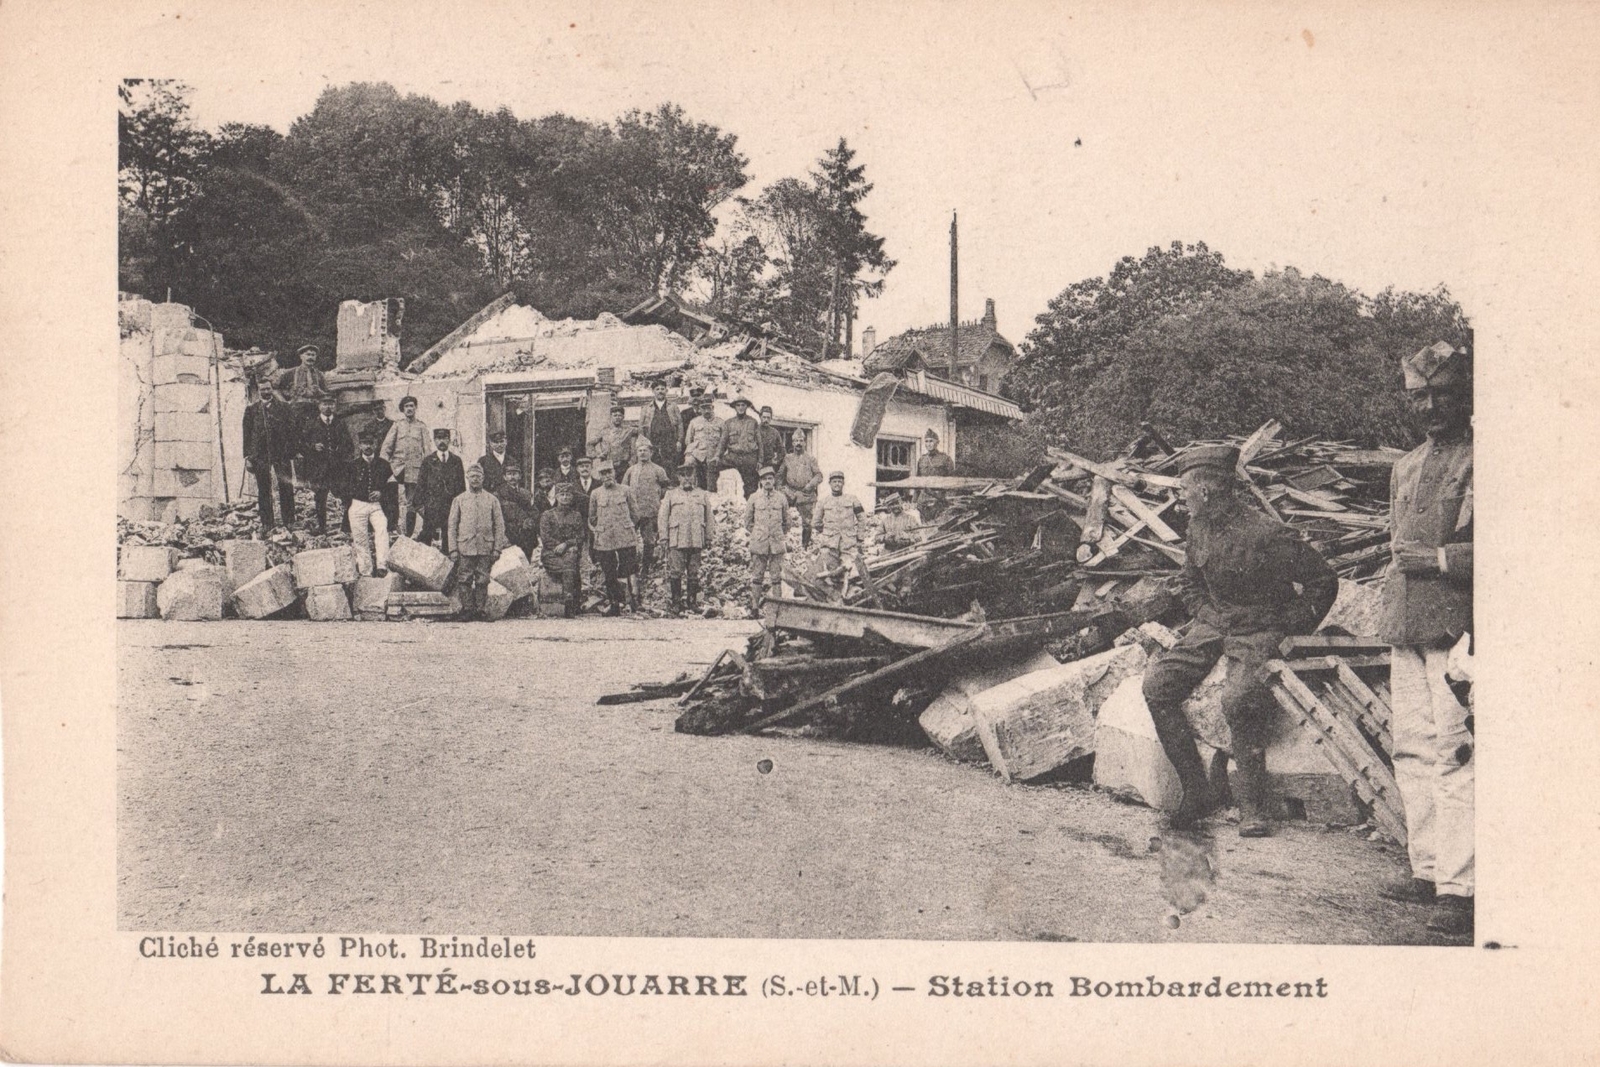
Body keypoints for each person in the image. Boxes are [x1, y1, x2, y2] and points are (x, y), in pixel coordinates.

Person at [1141, 445, 1339, 837]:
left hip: (1260, 628)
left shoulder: (1265, 533)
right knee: (1157, 685)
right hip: (1214, 623)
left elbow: (1323, 582)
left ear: (1207, 491)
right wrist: (1203, 612)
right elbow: (1190, 581)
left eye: (1185, 489)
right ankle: (1196, 790)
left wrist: (1288, 626)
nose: (1180, 497)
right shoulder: (1198, 527)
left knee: (1238, 698)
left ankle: (1253, 805)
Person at [1376, 340, 1475, 937]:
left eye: (1442, 394)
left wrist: (1436, 559)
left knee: (1456, 752)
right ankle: (1427, 867)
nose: (1432, 407)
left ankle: (1460, 887)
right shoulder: (1404, 466)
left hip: (1457, 628)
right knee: (1411, 746)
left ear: (1464, 394)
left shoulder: (1483, 459)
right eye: (1420, 397)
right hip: (1405, 626)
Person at [448, 463, 507, 621]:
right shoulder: (459, 500)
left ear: (483, 478)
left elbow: (499, 526)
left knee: (483, 579)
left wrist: (497, 549)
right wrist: (453, 549)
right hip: (465, 547)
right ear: (467, 478)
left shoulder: (492, 500)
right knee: (464, 578)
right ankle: (467, 609)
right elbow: (452, 526)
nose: (475, 479)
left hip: (485, 547)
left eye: (478, 476)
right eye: (472, 476)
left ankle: (480, 609)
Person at [658, 460, 715, 614]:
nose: (687, 479)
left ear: (694, 477)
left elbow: (709, 517)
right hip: (677, 538)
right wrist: (664, 537)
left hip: (696, 538)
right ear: (678, 478)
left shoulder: (702, 494)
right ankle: (676, 603)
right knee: (676, 571)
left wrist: (708, 537)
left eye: (690, 475)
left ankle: (692, 602)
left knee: (693, 572)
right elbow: (663, 517)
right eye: (683, 476)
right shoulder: (671, 494)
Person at [242, 377, 298, 530]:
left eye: (268, 388)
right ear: (258, 391)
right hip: (260, 456)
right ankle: (267, 523)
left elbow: (292, 431)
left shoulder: (284, 408)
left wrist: (291, 452)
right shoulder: (252, 410)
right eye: (263, 389)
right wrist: (248, 457)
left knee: (286, 486)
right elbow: (246, 435)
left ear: (272, 389)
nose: (266, 392)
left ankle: (289, 520)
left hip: (281, 454)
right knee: (263, 489)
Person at [588, 459, 640, 615]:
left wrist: (626, 527)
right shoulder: (595, 494)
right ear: (599, 476)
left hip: (625, 537)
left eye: (609, 472)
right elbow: (592, 517)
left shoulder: (626, 490)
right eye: (603, 473)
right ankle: (615, 604)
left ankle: (633, 602)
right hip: (605, 539)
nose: (607, 476)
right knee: (609, 572)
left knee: (629, 570)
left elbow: (635, 514)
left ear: (614, 472)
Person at [341, 431, 397, 577]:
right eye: (364, 443)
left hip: (376, 506)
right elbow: (344, 487)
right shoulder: (352, 466)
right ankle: (366, 570)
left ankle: (382, 566)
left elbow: (392, 486)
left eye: (370, 443)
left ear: (376, 444)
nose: (368, 446)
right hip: (358, 505)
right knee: (360, 538)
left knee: (382, 529)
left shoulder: (384, 465)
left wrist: (381, 493)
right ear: (360, 446)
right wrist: (351, 501)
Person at [622, 438, 672, 584]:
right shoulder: (631, 470)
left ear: (651, 452)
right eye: (640, 450)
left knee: (648, 540)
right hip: (632, 512)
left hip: (650, 512)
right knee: (629, 540)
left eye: (645, 450)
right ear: (636, 453)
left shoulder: (658, 470)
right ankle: (631, 568)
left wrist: (655, 496)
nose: (642, 453)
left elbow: (666, 487)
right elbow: (623, 489)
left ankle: (646, 568)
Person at [298, 395, 348, 535]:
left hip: (338, 469)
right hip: (319, 470)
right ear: (319, 406)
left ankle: (346, 526)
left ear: (335, 406)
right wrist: (313, 447)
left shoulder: (340, 423)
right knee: (320, 498)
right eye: (325, 404)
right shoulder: (311, 424)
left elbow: (349, 444)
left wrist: (340, 451)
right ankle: (322, 527)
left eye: (331, 404)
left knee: (346, 496)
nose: (328, 407)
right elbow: (301, 445)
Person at [380, 395, 429, 539]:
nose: (409, 409)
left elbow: (427, 451)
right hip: (397, 469)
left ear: (415, 408)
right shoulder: (397, 425)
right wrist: (385, 468)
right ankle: (392, 528)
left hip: (414, 470)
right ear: (403, 409)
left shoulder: (421, 426)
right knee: (391, 498)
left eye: (412, 406)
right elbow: (386, 448)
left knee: (411, 503)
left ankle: (408, 534)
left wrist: (427, 471)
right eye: (407, 406)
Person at [745, 465, 790, 616]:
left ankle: (778, 610)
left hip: (777, 543)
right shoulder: (754, 498)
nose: (767, 482)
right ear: (760, 482)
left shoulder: (781, 498)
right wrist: (758, 533)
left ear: (774, 481)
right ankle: (754, 608)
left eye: (770, 478)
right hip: (760, 543)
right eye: (764, 479)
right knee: (757, 577)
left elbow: (787, 521)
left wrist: (778, 534)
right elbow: (748, 522)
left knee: (776, 577)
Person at [813, 471, 866, 597]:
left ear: (843, 483)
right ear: (829, 484)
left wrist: (859, 537)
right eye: (834, 482)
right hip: (830, 544)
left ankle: (849, 596)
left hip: (849, 543)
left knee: (850, 571)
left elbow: (862, 518)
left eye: (839, 482)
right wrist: (827, 533)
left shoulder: (853, 499)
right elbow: (816, 522)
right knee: (832, 573)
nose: (837, 484)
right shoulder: (823, 502)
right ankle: (835, 597)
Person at [539, 482, 586, 617]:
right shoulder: (547, 515)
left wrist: (566, 544)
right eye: (562, 495)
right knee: (570, 564)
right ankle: (570, 603)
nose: (565, 498)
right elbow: (545, 538)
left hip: (569, 552)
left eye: (568, 495)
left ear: (572, 498)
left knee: (571, 557)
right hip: (551, 554)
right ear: (556, 497)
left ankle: (570, 602)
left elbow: (580, 536)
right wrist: (558, 546)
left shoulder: (576, 515)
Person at [417, 428, 466, 553]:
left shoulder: (456, 461)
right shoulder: (428, 461)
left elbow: (461, 487)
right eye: (438, 438)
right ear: (434, 441)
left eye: (444, 438)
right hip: (431, 507)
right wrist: (421, 507)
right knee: (426, 541)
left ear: (449, 440)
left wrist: (460, 507)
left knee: (449, 540)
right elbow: (421, 485)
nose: (442, 441)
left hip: (450, 507)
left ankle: (449, 569)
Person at [778, 429, 823, 547]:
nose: (798, 443)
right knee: (779, 515)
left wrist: (810, 485)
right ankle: (782, 543)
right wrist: (781, 489)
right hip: (789, 492)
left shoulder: (810, 459)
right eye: (796, 441)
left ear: (804, 443)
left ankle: (805, 546)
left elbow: (819, 475)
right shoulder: (787, 458)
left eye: (801, 441)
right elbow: (779, 476)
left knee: (807, 522)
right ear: (792, 443)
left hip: (806, 493)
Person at [719, 395, 762, 497]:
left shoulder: (753, 422)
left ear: (746, 407)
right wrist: (717, 456)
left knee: (750, 486)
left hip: (749, 457)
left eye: (743, 405)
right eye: (738, 405)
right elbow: (723, 442)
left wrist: (760, 460)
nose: (741, 407)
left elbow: (760, 443)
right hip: (733, 457)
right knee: (720, 474)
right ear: (735, 407)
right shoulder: (729, 423)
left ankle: (748, 506)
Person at [495, 463, 539, 559]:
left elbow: (534, 511)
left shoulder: (526, 493)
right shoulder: (499, 494)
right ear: (504, 477)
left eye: (515, 474)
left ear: (519, 476)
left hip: (526, 534)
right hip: (509, 534)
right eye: (509, 474)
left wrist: (529, 521)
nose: (512, 477)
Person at [684, 394, 725, 492]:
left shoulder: (720, 422)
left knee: (713, 479)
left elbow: (724, 441)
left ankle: (712, 493)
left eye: (709, 408)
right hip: (698, 453)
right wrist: (690, 453)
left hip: (714, 453)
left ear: (713, 408)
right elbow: (688, 440)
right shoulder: (694, 422)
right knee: (689, 462)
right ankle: (690, 489)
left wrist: (719, 454)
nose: (706, 411)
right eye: (703, 408)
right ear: (700, 409)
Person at [588, 405, 639, 481]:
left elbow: (643, 433)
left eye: (619, 415)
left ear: (623, 417)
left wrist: (633, 460)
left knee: (624, 485)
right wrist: (597, 455)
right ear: (611, 417)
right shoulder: (604, 431)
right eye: (615, 415)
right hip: (608, 463)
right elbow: (590, 444)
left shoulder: (629, 430)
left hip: (623, 465)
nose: (617, 417)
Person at [915, 428, 956, 519]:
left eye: (931, 441)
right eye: (926, 441)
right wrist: (914, 500)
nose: (928, 444)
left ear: (937, 442)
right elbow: (917, 481)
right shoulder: (922, 459)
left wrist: (949, 499)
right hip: (924, 498)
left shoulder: (945, 459)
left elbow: (952, 480)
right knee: (924, 523)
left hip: (939, 498)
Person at [642, 380, 682, 469]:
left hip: (670, 442)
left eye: (662, 389)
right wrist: (644, 443)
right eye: (657, 389)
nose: (660, 391)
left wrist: (679, 441)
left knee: (671, 466)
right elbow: (642, 426)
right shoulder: (647, 408)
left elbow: (679, 424)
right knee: (654, 466)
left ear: (666, 391)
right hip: (653, 442)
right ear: (653, 391)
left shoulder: (673, 406)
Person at [756, 405, 785, 474]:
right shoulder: (754, 430)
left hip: (769, 466)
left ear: (771, 418)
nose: (766, 420)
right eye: (764, 417)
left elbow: (782, 450)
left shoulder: (775, 433)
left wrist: (777, 461)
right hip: (755, 465)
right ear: (760, 417)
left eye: (768, 418)